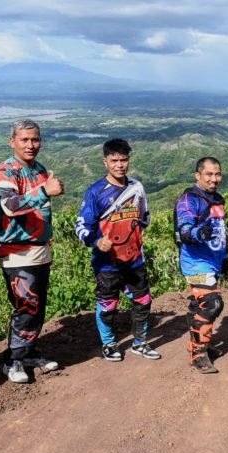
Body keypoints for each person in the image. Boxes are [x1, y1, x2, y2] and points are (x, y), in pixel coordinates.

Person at [75, 139, 161, 362]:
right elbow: (82, 226)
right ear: (105, 162)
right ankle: (109, 343)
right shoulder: (95, 192)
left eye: (123, 160)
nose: (119, 165)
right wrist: (96, 241)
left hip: (134, 260)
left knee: (143, 301)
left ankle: (140, 343)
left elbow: (144, 218)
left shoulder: (137, 187)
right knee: (108, 305)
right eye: (114, 160)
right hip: (107, 263)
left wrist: (133, 240)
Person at [0, 119, 63, 383]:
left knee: (37, 306)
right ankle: (12, 360)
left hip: (39, 249)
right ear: (13, 142)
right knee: (26, 305)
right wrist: (45, 190)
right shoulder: (7, 171)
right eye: (24, 140)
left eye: (35, 139)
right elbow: (10, 205)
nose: (31, 145)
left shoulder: (39, 168)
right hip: (17, 252)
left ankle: (29, 352)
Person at [174, 157, 228, 374]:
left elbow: (221, 231)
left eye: (217, 174)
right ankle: (198, 353)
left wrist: (224, 259)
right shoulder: (190, 199)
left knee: (200, 306)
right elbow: (185, 228)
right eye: (209, 174)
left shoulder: (217, 199)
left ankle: (199, 344)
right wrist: (198, 233)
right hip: (195, 263)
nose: (214, 179)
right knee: (212, 304)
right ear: (198, 175)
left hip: (212, 261)